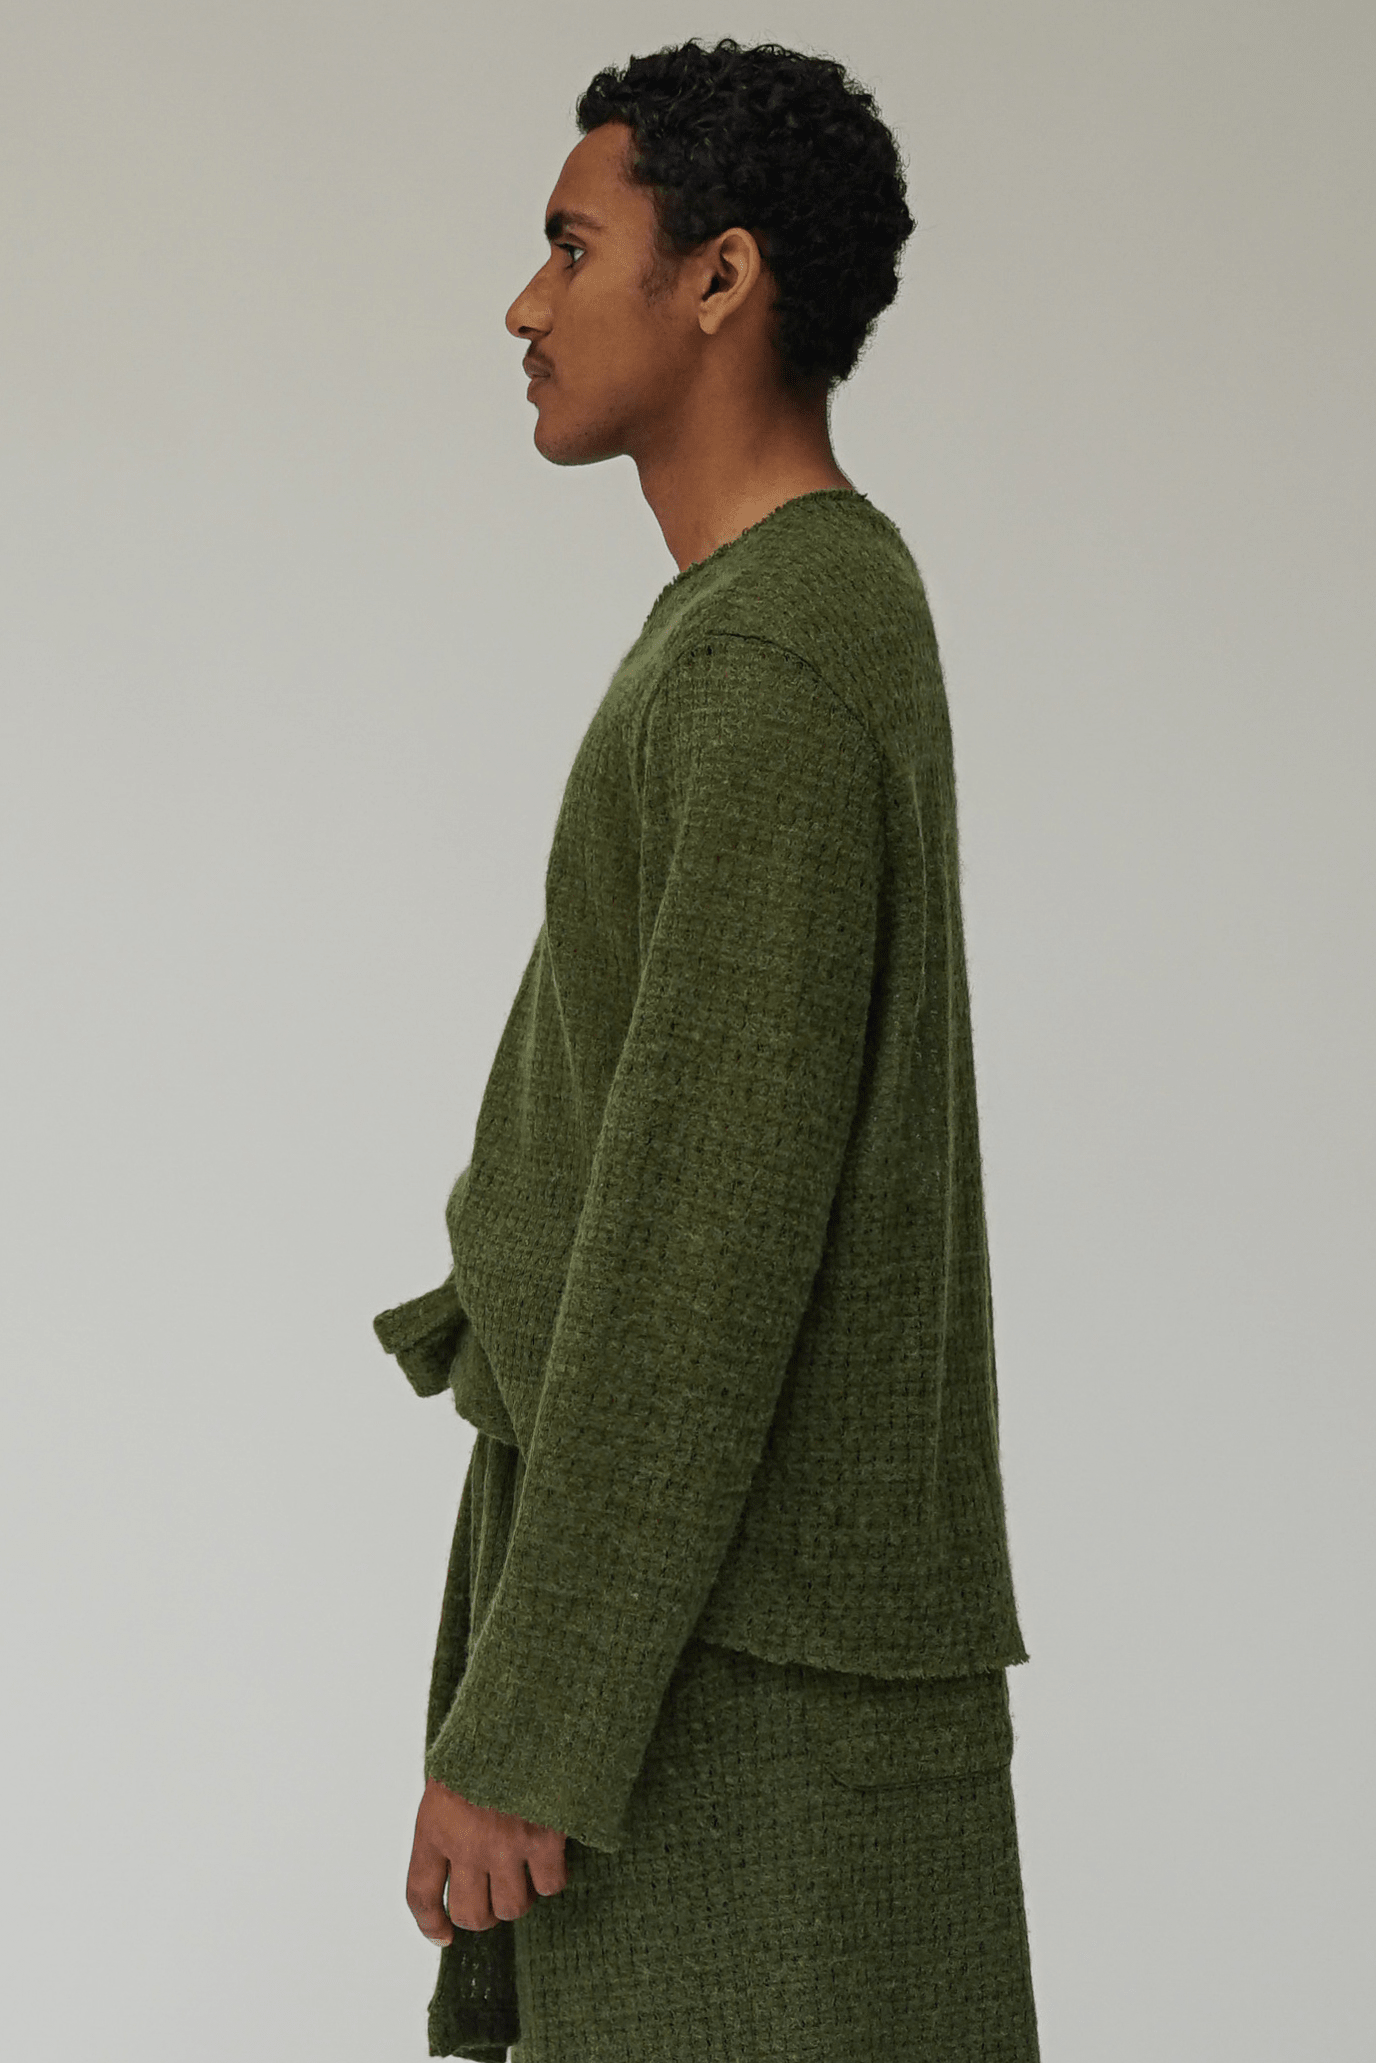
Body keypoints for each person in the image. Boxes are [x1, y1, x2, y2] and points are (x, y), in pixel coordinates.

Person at [374, 35, 1040, 2063]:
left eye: (574, 245)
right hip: (733, 1657)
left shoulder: (768, 657)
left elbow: (698, 1247)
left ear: (721, 278)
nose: (526, 303)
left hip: (734, 1708)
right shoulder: (786, 613)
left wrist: (531, 1727)